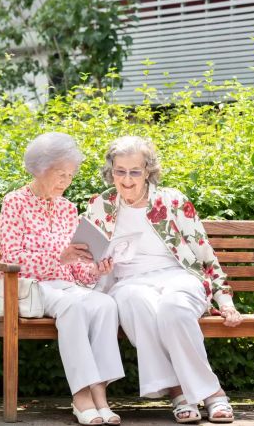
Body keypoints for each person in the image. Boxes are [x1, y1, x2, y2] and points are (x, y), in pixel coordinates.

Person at [84, 136, 243, 424]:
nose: (127, 179)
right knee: (136, 303)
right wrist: (99, 268)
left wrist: (225, 300)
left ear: (148, 170)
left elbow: (205, 255)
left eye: (135, 171)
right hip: (129, 282)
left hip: (178, 276)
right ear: (111, 172)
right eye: (120, 171)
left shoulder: (173, 200)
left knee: (173, 307)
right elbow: (86, 258)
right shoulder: (100, 205)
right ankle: (179, 393)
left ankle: (213, 393)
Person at [0, 132, 123, 425]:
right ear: (40, 168)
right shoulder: (15, 202)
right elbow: (11, 258)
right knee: (72, 306)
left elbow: (76, 268)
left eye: (70, 175)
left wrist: (94, 268)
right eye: (60, 174)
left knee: (104, 304)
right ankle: (80, 396)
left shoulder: (67, 208)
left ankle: (100, 394)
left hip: (65, 285)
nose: (65, 181)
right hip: (30, 285)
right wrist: (57, 257)